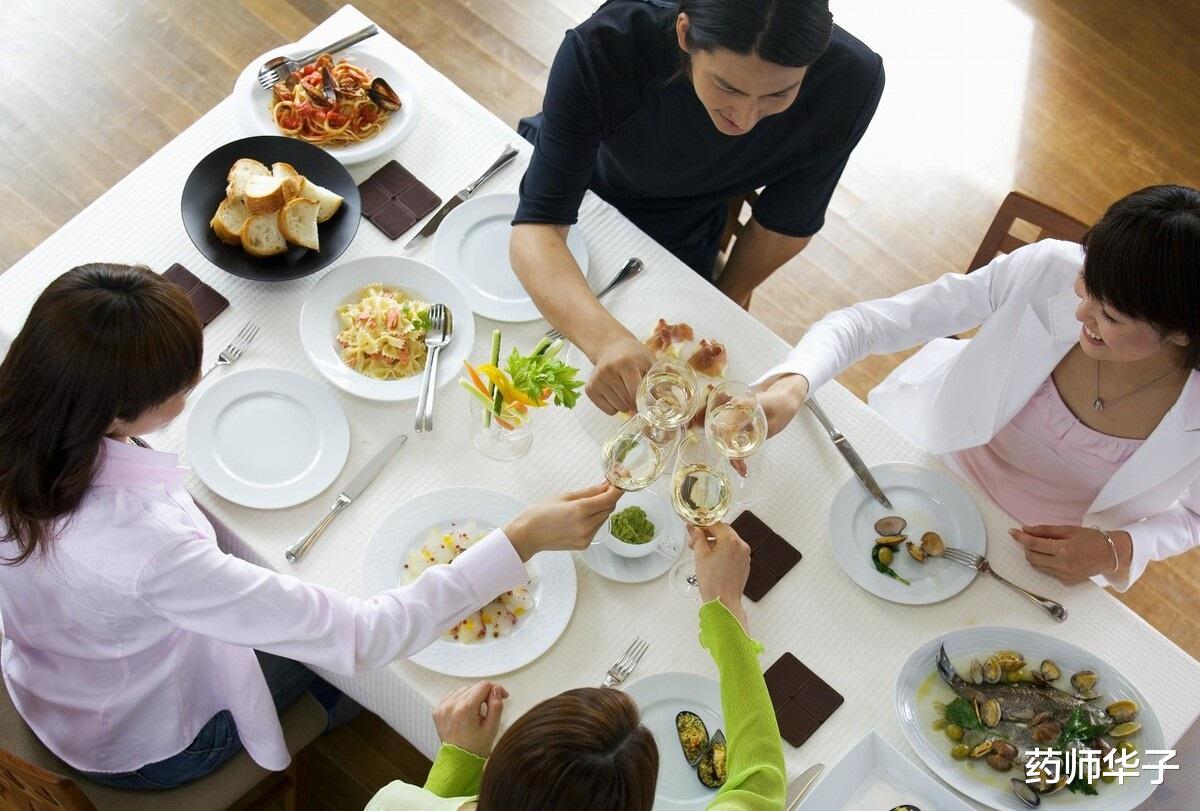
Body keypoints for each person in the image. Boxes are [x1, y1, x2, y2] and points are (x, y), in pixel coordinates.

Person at [0, 263, 624, 789]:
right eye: (179, 388)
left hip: (53, 679)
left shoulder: (30, 416)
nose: (193, 385)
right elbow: (363, 635)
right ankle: (328, 718)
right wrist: (521, 540)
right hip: (148, 742)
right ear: (114, 411)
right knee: (383, 674)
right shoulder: (144, 549)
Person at [750, 184, 1200, 590]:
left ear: (1181, 332)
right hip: (923, 461)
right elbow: (868, 324)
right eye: (1085, 289)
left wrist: (1117, 547)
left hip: (1038, 559)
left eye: (1112, 318)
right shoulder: (1048, 269)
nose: (1082, 315)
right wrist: (794, 382)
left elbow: (1193, 516)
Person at [511, 0, 884, 415]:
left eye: (778, 93)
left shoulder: (850, 80)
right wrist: (606, 339)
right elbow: (538, 225)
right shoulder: (609, 43)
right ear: (685, 35)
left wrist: (723, 302)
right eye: (728, 87)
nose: (745, 119)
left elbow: (785, 224)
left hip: (682, 224)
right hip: (583, 183)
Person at [365, 522, 786, 810]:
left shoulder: (394, 804)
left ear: (499, 763)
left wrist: (456, 767)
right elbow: (761, 783)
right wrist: (724, 605)